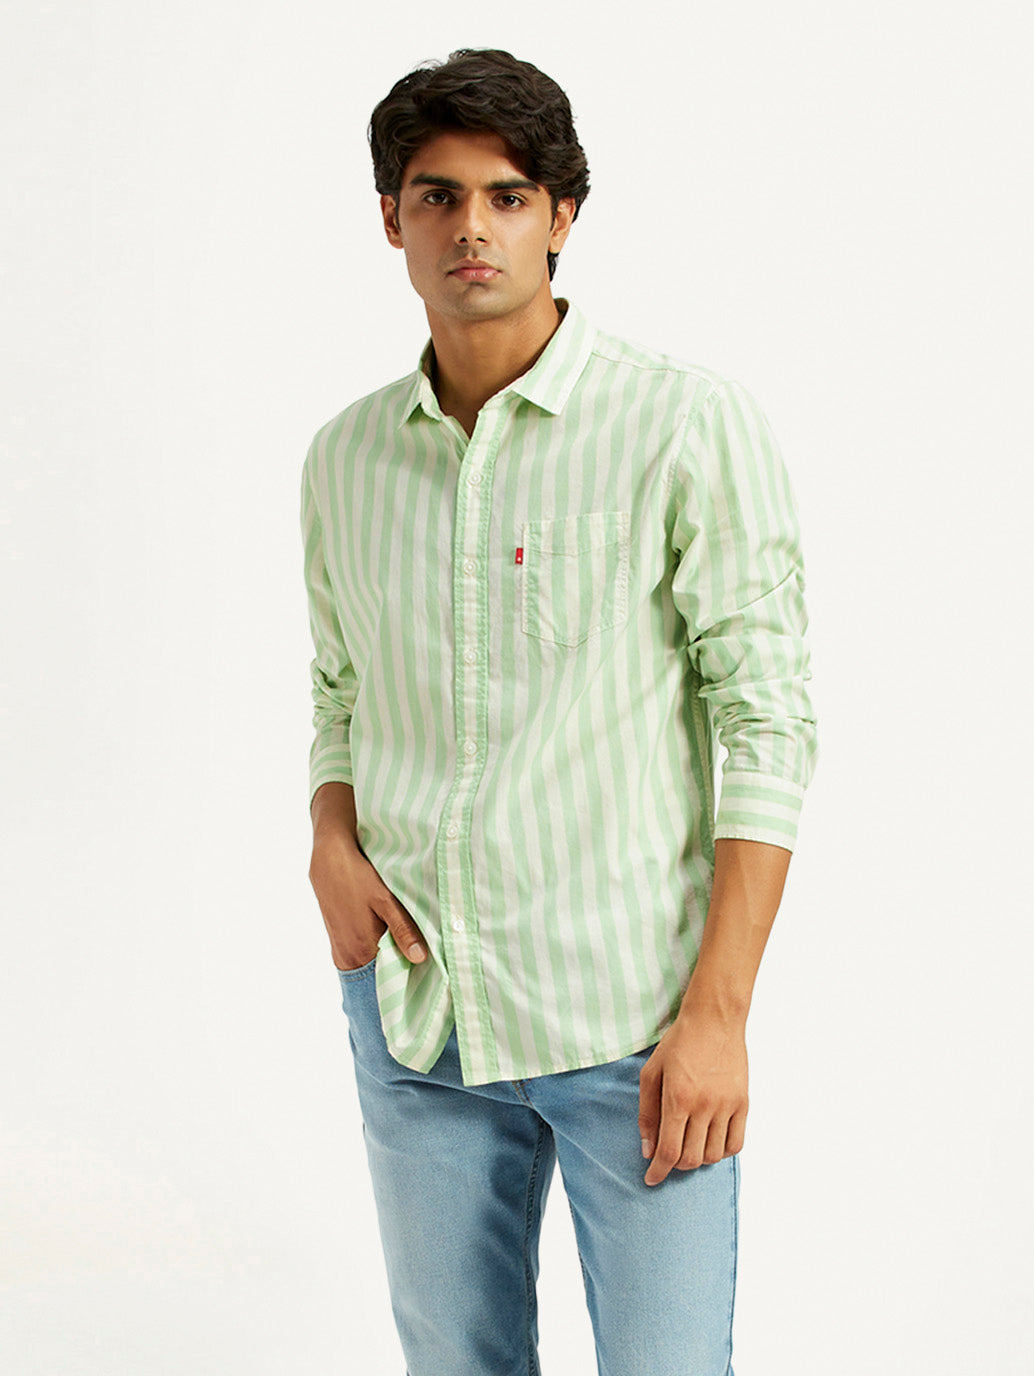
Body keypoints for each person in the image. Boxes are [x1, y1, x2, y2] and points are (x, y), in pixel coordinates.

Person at [300, 47, 818, 1376]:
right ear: (391, 219)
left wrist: (719, 1016)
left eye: (508, 196)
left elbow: (766, 725)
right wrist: (329, 835)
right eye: (437, 196)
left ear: (561, 217)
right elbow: (339, 684)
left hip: (634, 1020)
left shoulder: (681, 424)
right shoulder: (345, 456)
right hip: (417, 1011)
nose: (471, 229)